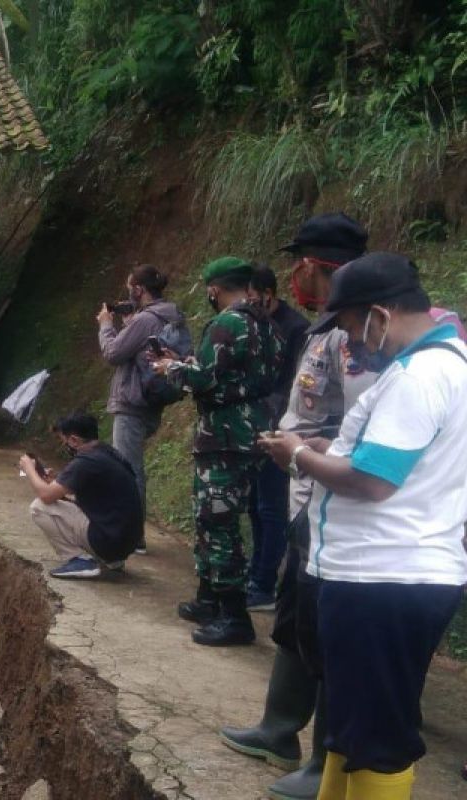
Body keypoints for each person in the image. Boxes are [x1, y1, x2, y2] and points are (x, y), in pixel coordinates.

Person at [260, 252, 467, 800]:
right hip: (386, 574)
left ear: (380, 313)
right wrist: (333, 447)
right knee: (351, 729)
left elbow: (374, 481)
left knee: (378, 737)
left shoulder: (420, 375)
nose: (352, 342)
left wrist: (300, 455)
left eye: (352, 327)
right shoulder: (441, 366)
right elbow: (397, 458)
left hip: (386, 577)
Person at [218, 212, 368, 800]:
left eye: (300, 262)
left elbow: (357, 427)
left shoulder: (361, 339)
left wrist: (304, 449)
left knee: (327, 630)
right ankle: (278, 729)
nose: (292, 275)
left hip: (336, 498)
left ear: (323, 266)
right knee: (295, 618)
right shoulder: (327, 329)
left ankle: (325, 761)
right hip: (307, 494)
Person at [152, 256, 280, 646]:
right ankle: (209, 598)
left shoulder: (226, 323)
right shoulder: (264, 326)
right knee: (214, 517)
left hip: (224, 436)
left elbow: (206, 379)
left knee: (217, 521)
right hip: (251, 431)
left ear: (214, 288)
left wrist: (170, 369)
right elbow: (249, 376)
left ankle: (234, 616)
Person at [97, 264, 186, 554]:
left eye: (129, 288)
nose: (127, 294)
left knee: (128, 470)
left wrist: (105, 326)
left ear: (139, 289)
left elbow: (113, 353)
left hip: (132, 402)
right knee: (131, 467)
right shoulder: (168, 314)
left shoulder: (146, 319)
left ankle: (132, 535)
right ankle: (132, 532)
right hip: (150, 400)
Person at [245, 264, 311, 612]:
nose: (250, 305)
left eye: (254, 299)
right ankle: (256, 574)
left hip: (280, 425)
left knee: (271, 507)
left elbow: (292, 383)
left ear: (268, 295)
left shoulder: (297, 328)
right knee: (255, 506)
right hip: (255, 423)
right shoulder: (253, 324)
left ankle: (265, 583)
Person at [20, 412, 142, 579]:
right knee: (62, 503)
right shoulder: (106, 453)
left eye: (63, 441)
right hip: (123, 543)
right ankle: (110, 559)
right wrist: (55, 482)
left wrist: (29, 470)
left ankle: (78, 559)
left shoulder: (86, 461)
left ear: (74, 440)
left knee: (39, 507)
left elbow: (46, 496)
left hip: (107, 541)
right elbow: (75, 495)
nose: (64, 446)